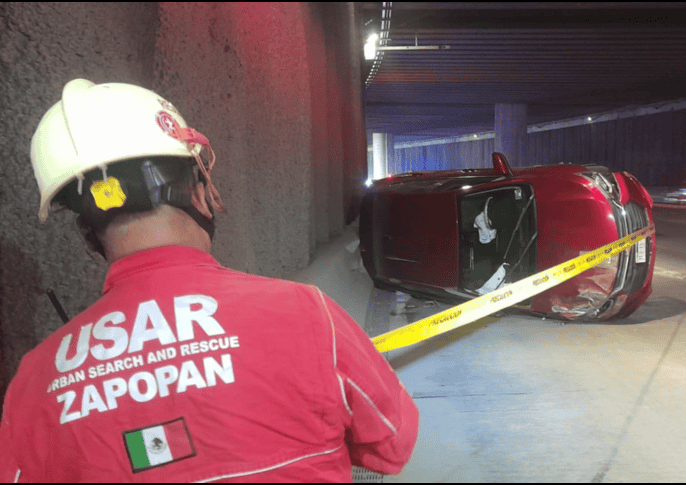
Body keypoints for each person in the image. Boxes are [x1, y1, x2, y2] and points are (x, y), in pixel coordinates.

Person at [0, 79, 419, 482]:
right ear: (200, 194)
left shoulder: (35, 383)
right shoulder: (306, 314)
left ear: (87, 236)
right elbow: (391, 445)